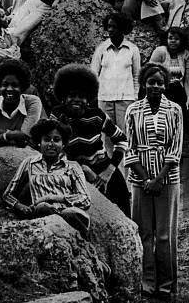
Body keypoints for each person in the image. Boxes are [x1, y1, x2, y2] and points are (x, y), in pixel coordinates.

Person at [125, 63, 183, 299]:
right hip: (140, 179)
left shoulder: (175, 110)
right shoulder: (133, 110)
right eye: (151, 82)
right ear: (143, 84)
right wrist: (146, 178)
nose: (155, 86)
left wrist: (158, 179)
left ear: (165, 85)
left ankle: (166, 285)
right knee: (144, 232)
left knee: (164, 234)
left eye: (160, 82)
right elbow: (129, 148)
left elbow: (175, 148)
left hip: (167, 178)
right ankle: (147, 282)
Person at [50, 64, 132, 217]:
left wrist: (109, 170)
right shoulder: (57, 115)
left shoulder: (97, 115)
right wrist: (80, 168)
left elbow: (121, 140)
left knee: (122, 211)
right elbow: (52, 147)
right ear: (64, 97)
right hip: (71, 173)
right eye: (72, 95)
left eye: (81, 96)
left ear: (88, 98)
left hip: (102, 169)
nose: (76, 100)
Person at [1, 119, 91, 239]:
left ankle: (81, 243)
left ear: (63, 143)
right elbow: (7, 194)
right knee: (43, 207)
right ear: (39, 142)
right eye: (47, 139)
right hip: (41, 214)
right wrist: (19, 206)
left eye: (57, 140)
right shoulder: (29, 163)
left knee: (71, 214)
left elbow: (85, 199)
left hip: (68, 213)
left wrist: (53, 198)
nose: (51, 144)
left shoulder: (73, 166)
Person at [90, 12, 141, 140]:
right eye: (109, 26)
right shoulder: (101, 48)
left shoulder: (132, 49)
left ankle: (123, 160)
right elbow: (93, 74)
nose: (111, 30)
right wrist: (97, 95)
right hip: (105, 98)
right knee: (106, 135)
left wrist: (134, 96)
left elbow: (137, 76)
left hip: (126, 99)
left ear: (123, 29)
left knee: (125, 135)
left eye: (114, 27)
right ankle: (108, 160)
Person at [0, 60, 43, 154]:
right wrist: (8, 136)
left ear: (23, 87)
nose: (9, 89)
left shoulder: (32, 102)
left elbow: (25, 139)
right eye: (5, 85)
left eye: (15, 85)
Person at [149, 27, 189, 114]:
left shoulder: (186, 54)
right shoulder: (160, 51)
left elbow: (187, 79)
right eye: (170, 38)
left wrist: (188, 99)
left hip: (178, 90)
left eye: (176, 39)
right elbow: (149, 73)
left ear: (181, 40)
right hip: (161, 89)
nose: (173, 41)